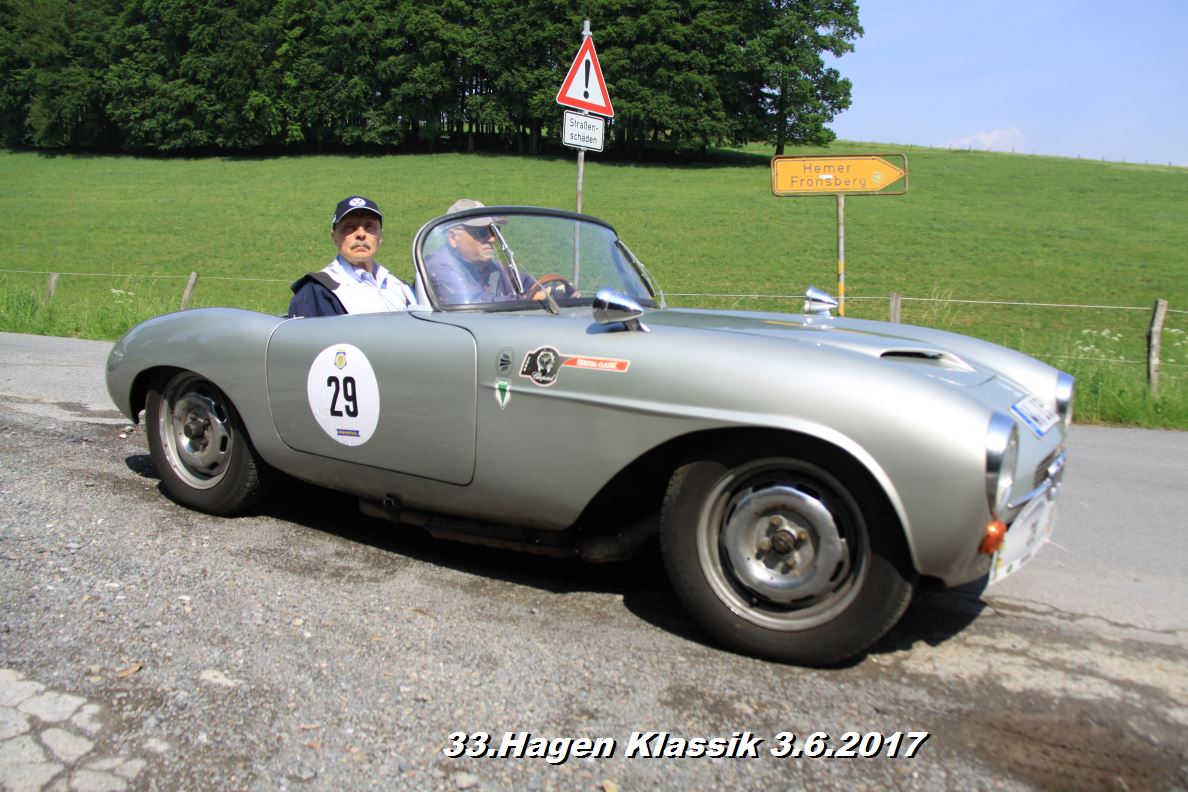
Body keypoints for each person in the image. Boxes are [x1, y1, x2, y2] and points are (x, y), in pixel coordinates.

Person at [289, 196, 417, 317]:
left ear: (380, 236)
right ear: (334, 237)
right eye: (349, 227)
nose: (361, 234)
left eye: (369, 227)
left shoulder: (399, 286)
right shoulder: (317, 292)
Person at [423, 198, 535, 304]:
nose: (492, 239)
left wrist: (542, 289)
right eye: (481, 232)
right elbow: (474, 305)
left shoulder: (490, 266)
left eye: (494, 231)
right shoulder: (440, 267)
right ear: (453, 237)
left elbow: (528, 284)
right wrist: (526, 299)